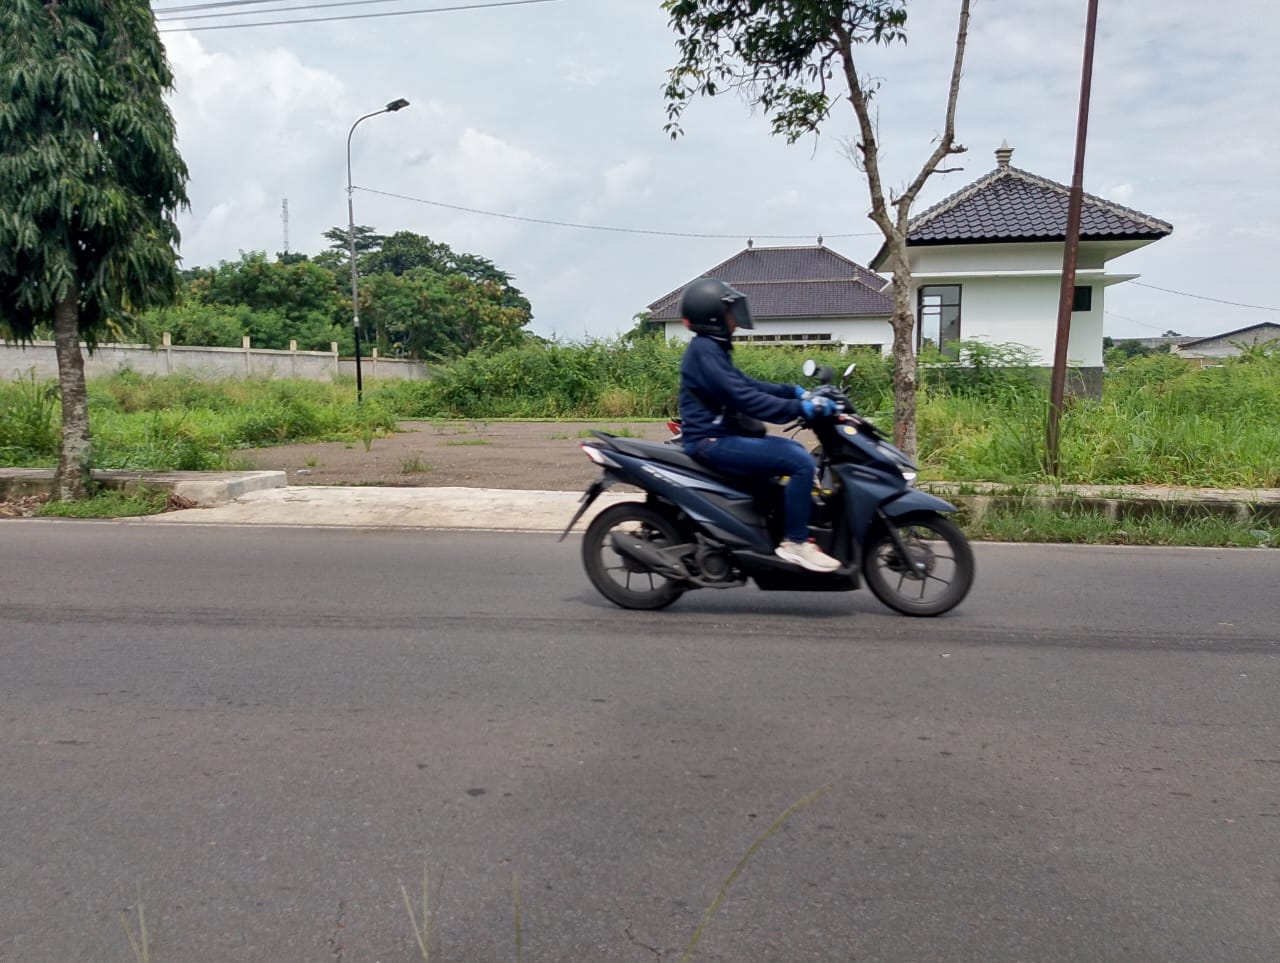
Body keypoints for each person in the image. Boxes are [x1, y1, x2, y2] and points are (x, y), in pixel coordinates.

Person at [676, 277, 841, 574]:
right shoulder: (704, 352)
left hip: (721, 435)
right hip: (710, 441)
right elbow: (744, 398)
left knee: (791, 451)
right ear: (712, 316)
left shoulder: (711, 349)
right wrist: (799, 407)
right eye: (729, 313)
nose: (735, 320)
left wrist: (792, 391)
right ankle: (796, 542)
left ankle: (770, 528)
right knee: (800, 460)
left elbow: (746, 384)